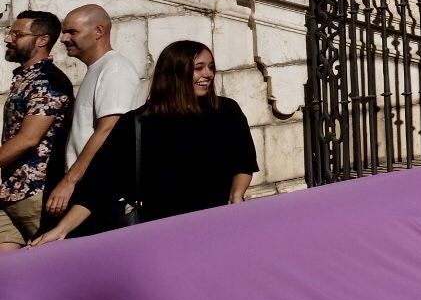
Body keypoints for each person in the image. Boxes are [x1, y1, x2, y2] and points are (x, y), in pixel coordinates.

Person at [29, 40, 255, 244]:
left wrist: (236, 196)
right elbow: (99, 183)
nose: (208, 74)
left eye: (211, 67)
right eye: (198, 68)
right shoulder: (137, 123)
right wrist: (61, 229)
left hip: (219, 227)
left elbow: (243, 162)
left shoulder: (226, 111)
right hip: (162, 234)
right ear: (174, 73)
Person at [45, 4, 142, 230]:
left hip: (101, 194)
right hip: (89, 191)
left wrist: (69, 181)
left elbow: (108, 130)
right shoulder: (100, 69)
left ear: (98, 31)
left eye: (72, 32)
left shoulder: (115, 69)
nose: (63, 39)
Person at [0, 12, 72, 251]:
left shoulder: (47, 80)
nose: (8, 39)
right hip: (10, 191)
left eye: (17, 34)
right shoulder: (26, 78)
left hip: (35, 193)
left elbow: (29, 139)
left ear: (42, 40)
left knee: (55, 266)